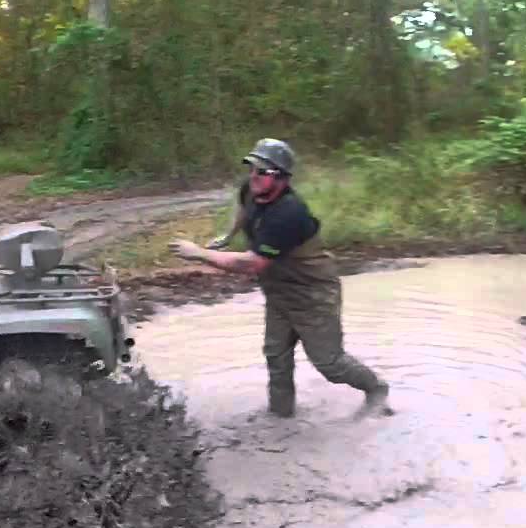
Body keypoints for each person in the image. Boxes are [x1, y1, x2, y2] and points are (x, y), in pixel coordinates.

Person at [168, 138, 392, 418]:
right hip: (279, 293)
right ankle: (281, 416)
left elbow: (250, 264)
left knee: (330, 364)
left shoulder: (288, 214)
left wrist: (199, 253)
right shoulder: (252, 190)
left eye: (263, 172)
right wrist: (228, 236)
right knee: (276, 356)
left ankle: (377, 389)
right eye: (252, 169)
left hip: (313, 296)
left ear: (282, 178)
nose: (254, 177)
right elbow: (244, 207)